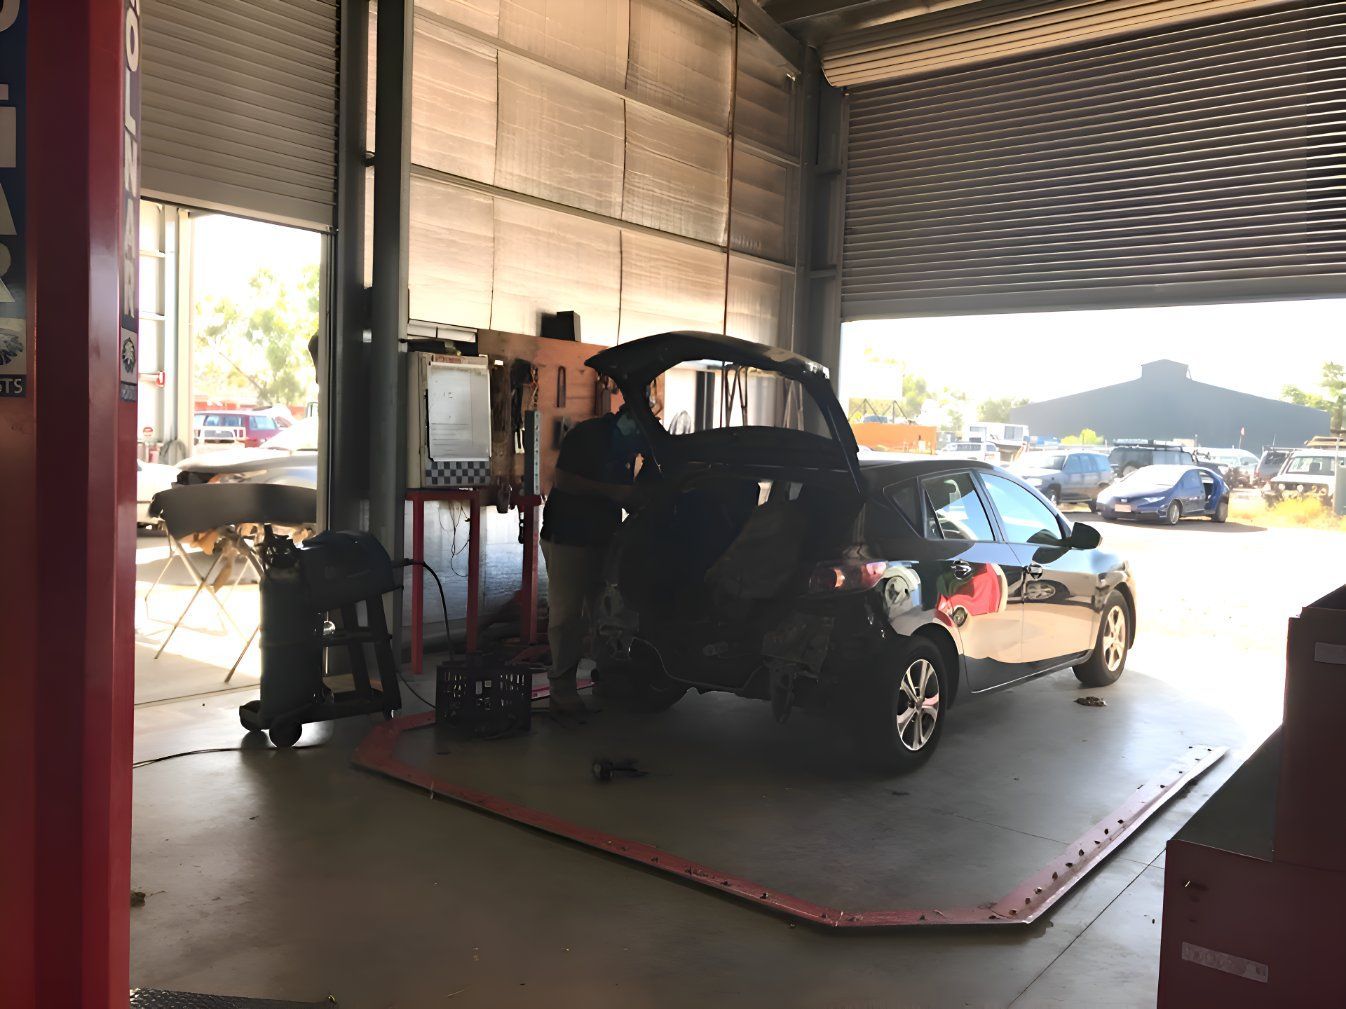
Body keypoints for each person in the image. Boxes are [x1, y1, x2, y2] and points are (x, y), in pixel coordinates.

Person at [541, 405, 646, 714]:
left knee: (605, 614)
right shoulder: (587, 436)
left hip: (604, 540)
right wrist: (616, 493)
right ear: (626, 416)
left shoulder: (631, 441)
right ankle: (561, 688)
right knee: (566, 617)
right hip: (567, 539)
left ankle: (607, 678)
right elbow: (563, 480)